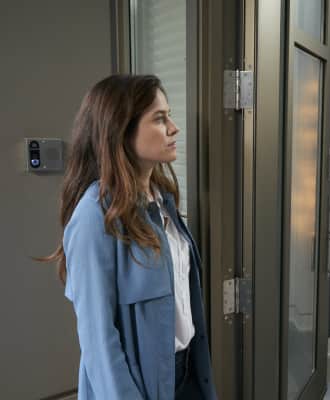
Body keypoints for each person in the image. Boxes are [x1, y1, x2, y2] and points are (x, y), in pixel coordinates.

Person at [42, 74, 217, 399]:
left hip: (188, 374)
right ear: (120, 130)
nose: (174, 128)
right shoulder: (94, 216)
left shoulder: (162, 200)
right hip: (139, 387)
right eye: (160, 119)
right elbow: (99, 343)